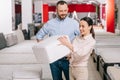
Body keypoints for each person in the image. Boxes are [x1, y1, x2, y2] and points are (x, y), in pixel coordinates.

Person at [36, 0, 80, 80]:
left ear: (67, 9)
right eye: (60, 11)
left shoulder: (74, 24)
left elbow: (81, 39)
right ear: (56, 10)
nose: (63, 13)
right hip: (54, 60)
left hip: (69, 60)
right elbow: (39, 36)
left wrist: (74, 52)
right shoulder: (50, 23)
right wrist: (45, 52)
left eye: (65, 10)